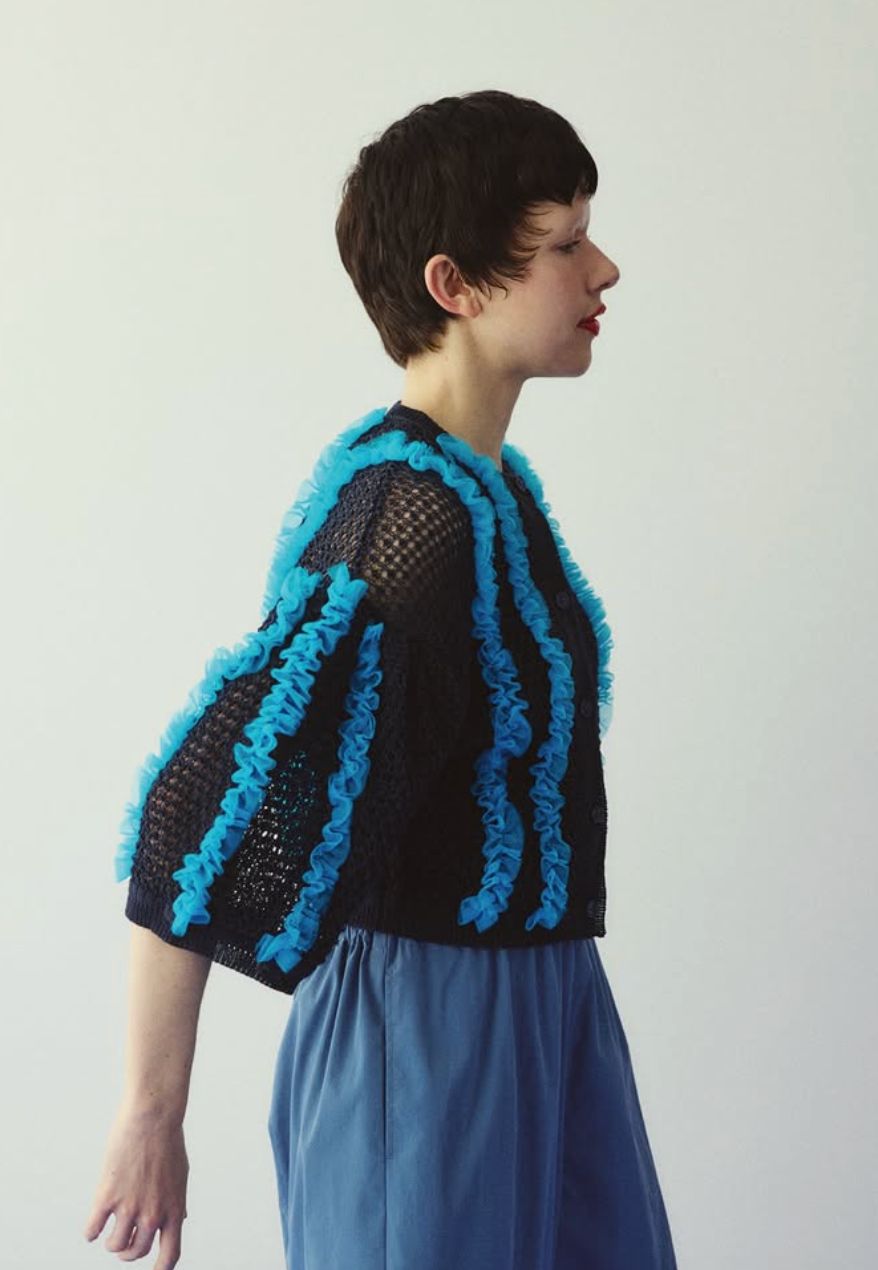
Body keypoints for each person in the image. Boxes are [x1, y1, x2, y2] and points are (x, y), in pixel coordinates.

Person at [83, 89, 678, 1269]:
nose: (603, 268)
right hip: (430, 1042)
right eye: (565, 243)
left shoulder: (486, 493)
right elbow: (200, 813)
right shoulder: (401, 517)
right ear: (455, 284)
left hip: (549, 1016)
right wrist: (151, 1113)